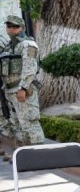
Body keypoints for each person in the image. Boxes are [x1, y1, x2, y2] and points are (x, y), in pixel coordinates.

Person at [0, 14, 44, 149]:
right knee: (16, 124)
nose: (12, 29)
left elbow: (30, 68)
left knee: (29, 123)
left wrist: (23, 88)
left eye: (15, 26)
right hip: (9, 91)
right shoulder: (8, 47)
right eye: (9, 26)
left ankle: (37, 153)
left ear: (22, 28)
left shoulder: (28, 45)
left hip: (22, 91)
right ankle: (22, 153)